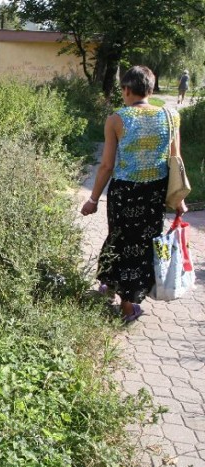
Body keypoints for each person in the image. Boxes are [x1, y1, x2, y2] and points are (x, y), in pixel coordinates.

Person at [81, 65, 188, 322]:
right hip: (154, 193)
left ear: (126, 89)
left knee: (118, 239)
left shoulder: (117, 119)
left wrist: (93, 199)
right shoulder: (170, 115)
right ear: (150, 89)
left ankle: (123, 302)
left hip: (124, 193)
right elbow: (176, 159)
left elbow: (106, 165)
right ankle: (116, 292)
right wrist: (179, 198)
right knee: (142, 246)